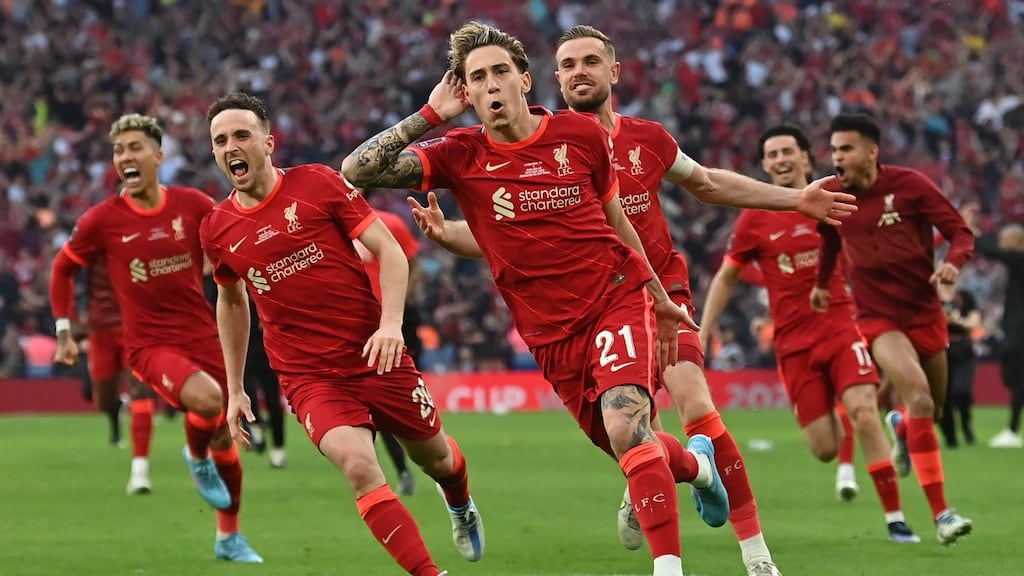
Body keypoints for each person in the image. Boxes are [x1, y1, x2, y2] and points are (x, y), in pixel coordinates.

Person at [341, 21, 808, 576]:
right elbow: (356, 170)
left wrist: (655, 296)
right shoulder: (459, 154)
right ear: (465, 91)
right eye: (476, 78)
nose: (490, 86)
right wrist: (431, 115)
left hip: (615, 297)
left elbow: (620, 226)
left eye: (499, 73)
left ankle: (672, 567)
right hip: (548, 333)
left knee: (626, 426)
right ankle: (701, 470)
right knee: (632, 444)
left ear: (525, 80)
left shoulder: (580, 137)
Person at [550, 26, 855, 576]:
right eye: (568, 63)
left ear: (613, 72)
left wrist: (797, 200)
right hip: (593, 306)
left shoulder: (649, 138)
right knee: (630, 431)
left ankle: (757, 556)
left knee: (697, 406)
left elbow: (709, 182)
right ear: (555, 78)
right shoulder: (545, 148)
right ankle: (671, 470)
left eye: (591, 61)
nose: (579, 71)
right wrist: (451, 233)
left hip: (661, 292)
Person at [202, 92, 481, 576]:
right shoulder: (217, 228)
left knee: (436, 459)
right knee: (359, 467)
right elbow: (231, 300)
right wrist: (234, 388)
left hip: (375, 353)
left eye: (242, 135)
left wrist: (392, 325)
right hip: (309, 374)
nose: (232, 146)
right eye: (220, 139)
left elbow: (390, 250)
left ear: (269, 142)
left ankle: (459, 502)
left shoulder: (317, 183)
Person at [49, 113, 262, 563]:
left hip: (203, 333)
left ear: (158, 156)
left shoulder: (193, 204)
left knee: (227, 436)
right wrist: (65, 331)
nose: (125, 156)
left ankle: (229, 537)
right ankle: (194, 454)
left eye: (134, 147)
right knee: (208, 403)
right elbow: (62, 269)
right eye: (119, 150)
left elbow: (228, 241)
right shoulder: (101, 220)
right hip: (148, 345)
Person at [702, 123, 923, 544]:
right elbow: (727, 276)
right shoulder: (755, 218)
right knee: (823, 448)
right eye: (772, 155)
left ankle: (896, 519)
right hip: (793, 344)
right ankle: (880, 419)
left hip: (842, 327)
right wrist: (702, 330)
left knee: (861, 409)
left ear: (806, 157)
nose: (781, 160)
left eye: (788, 151)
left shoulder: (838, 202)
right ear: (765, 165)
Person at [812, 113, 974, 545]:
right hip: (878, 319)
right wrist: (821, 285)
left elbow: (960, 232)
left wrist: (952, 265)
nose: (837, 157)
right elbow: (828, 241)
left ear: (871, 152)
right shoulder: (835, 196)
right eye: (833, 150)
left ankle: (901, 427)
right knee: (918, 395)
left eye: (845, 149)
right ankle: (942, 515)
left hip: (926, 314)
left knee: (931, 412)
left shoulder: (910, 185)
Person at [356, 201, 424, 496]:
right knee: (375, 403)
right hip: (359, 324)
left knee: (404, 394)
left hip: (395, 321)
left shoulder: (387, 223)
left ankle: (432, 459)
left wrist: (402, 304)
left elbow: (413, 261)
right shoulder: (326, 226)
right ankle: (399, 471)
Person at [84, 257, 156, 493]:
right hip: (101, 331)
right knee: (102, 401)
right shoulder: (89, 238)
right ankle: (115, 407)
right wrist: (68, 324)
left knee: (141, 389)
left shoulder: (137, 234)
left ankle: (140, 473)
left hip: (133, 326)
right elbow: (67, 273)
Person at [975, 223, 1024, 448]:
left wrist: (971, 233)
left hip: (1019, 328)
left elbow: (992, 252)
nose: (1002, 241)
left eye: (1005, 238)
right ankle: (1012, 429)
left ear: (1017, 241)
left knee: (1014, 375)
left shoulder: (1020, 259)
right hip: (1014, 326)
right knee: (1013, 378)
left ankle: (1013, 431)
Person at [241, 295, 286, 467]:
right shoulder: (236, 290)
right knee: (248, 393)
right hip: (246, 352)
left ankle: (279, 449)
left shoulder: (265, 290)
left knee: (273, 401)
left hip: (268, 352)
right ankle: (256, 426)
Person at [936, 286, 981, 448]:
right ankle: (950, 437)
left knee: (962, 391)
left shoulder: (965, 296)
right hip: (939, 350)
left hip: (962, 350)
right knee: (943, 397)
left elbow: (974, 323)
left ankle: (965, 423)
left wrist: (957, 320)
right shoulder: (931, 296)